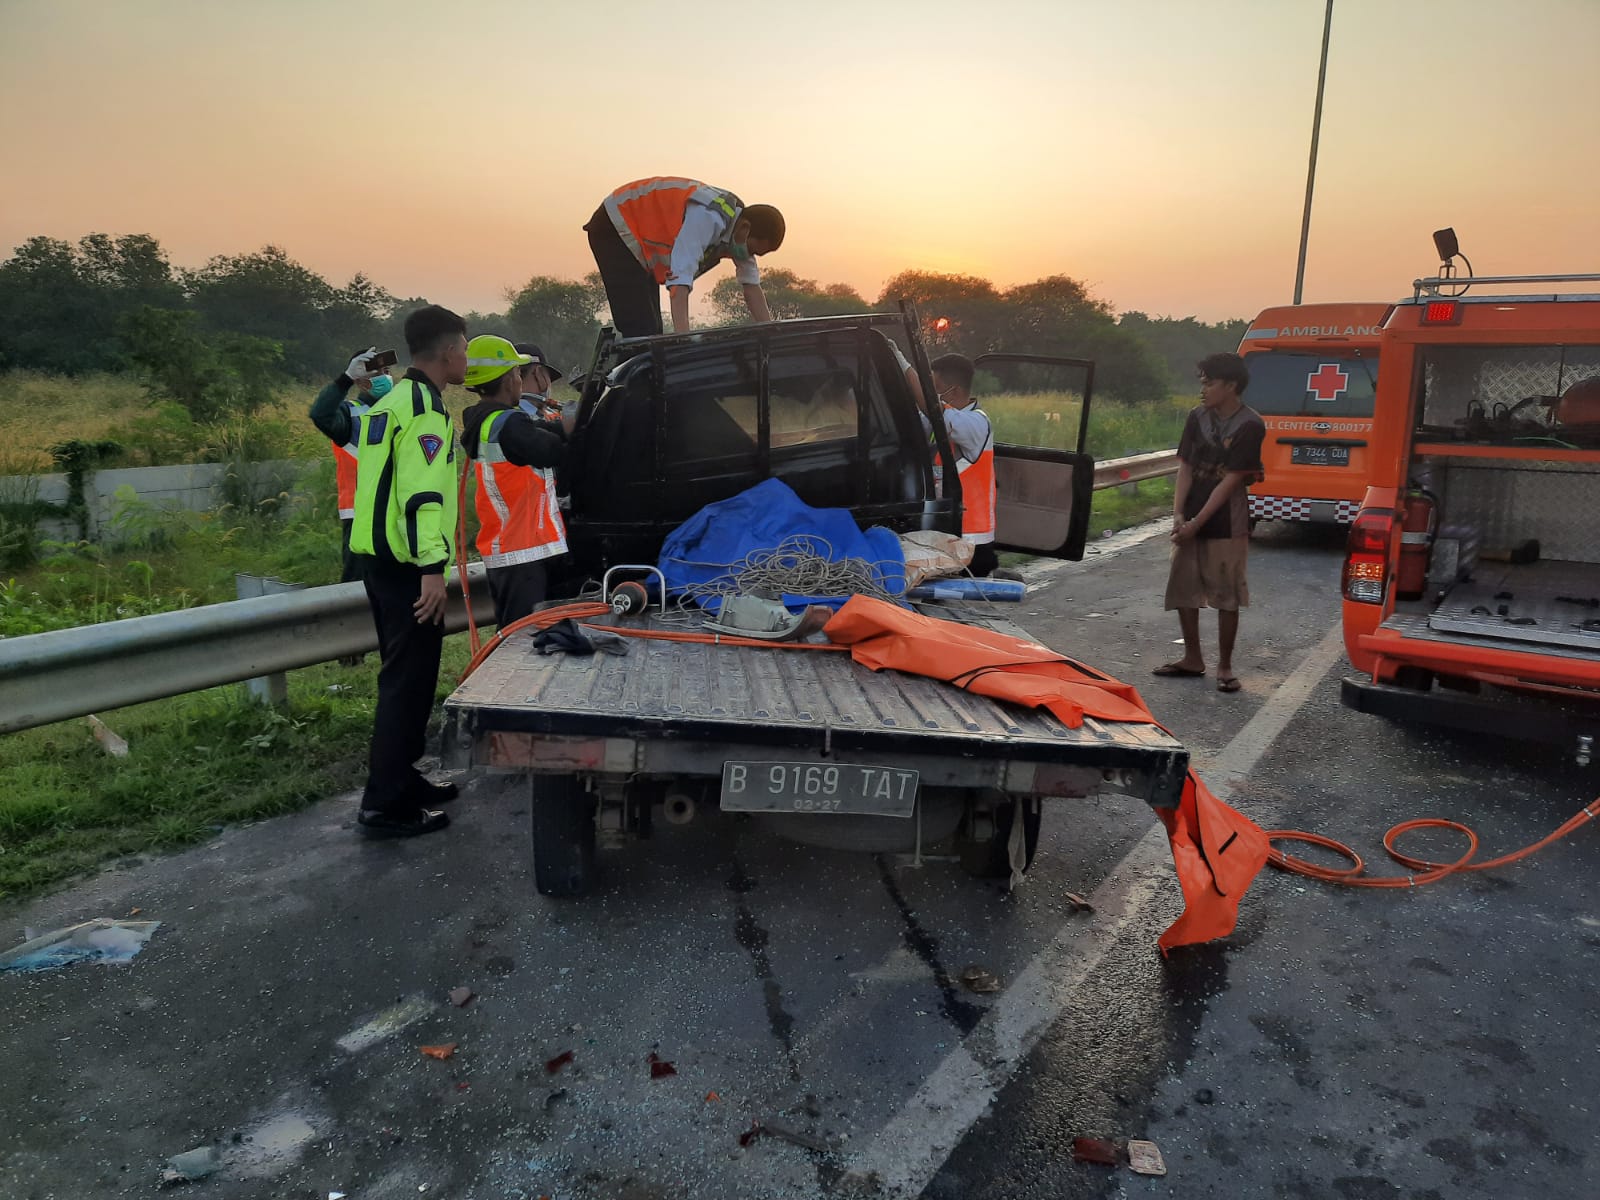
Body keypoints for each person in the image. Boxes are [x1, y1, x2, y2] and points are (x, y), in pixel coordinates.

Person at [342, 305, 469, 838]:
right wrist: (431, 570)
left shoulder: (391, 398)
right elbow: (420, 495)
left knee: (409, 679)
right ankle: (384, 804)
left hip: (378, 556)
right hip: (405, 562)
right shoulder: (422, 408)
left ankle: (403, 777)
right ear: (446, 352)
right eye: (463, 347)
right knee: (406, 681)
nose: (466, 356)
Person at [1153, 352, 1265, 694]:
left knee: (1226, 592)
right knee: (1184, 587)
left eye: (1210, 383)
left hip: (1226, 521)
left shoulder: (1250, 425)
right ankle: (1192, 657)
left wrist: (1196, 524)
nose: (1203, 389)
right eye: (1202, 382)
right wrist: (1177, 515)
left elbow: (1231, 481)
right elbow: (1185, 467)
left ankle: (1225, 666)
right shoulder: (1196, 417)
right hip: (1190, 516)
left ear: (1231, 386)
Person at [585, 177, 785, 337]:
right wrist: (684, 342)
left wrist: (771, 334)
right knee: (641, 329)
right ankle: (625, 385)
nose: (748, 257)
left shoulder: (738, 229)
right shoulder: (708, 218)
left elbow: (751, 286)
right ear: (745, 228)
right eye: (753, 251)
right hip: (615, 223)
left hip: (635, 237)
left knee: (653, 331)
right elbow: (680, 281)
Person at [460, 335, 569, 628]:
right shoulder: (507, 423)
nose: (520, 381)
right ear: (509, 380)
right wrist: (574, 426)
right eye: (516, 374)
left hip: (510, 550)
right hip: (522, 550)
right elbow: (551, 450)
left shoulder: (489, 420)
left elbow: (536, 434)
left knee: (516, 634)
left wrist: (559, 425)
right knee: (522, 642)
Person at [308, 351, 393, 583]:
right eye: (378, 373)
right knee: (360, 592)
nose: (386, 378)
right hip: (361, 521)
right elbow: (320, 415)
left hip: (398, 518)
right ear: (360, 380)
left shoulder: (401, 411)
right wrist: (344, 379)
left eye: (387, 372)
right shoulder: (350, 414)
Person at [928, 353, 999, 577]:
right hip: (946, 535)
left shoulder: (976, 423)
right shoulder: (942, 421)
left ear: (955, 391)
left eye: (935, 388)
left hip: (972, 543)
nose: (932, 396)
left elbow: (935, 411)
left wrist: (903, 362)